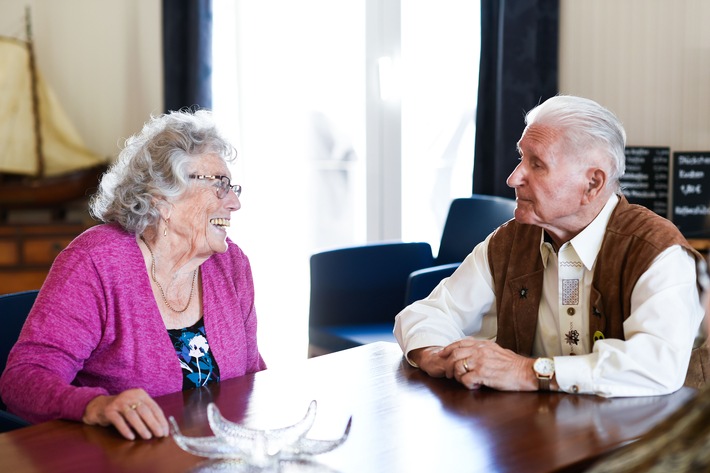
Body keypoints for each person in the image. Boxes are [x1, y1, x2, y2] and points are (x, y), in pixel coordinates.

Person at [394, 95, 705, 398]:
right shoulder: (513, 240)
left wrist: (526, 371)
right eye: (521, 158)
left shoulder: (656, 250)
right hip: (540, 437)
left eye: (537, 164)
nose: (513, 178)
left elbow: (658, 366)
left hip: (648, 440)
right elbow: (428, 313)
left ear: (593, 183)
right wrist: (434, 353)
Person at [0, 109, 266, 440]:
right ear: (162, 199)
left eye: (233, 187)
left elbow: (252, 375)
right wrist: (95, 406)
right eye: (219, 186)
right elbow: (23, 379)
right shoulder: (96, 263)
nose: (234, 203)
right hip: (121, 458)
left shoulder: (232, 266)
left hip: (215, 455)